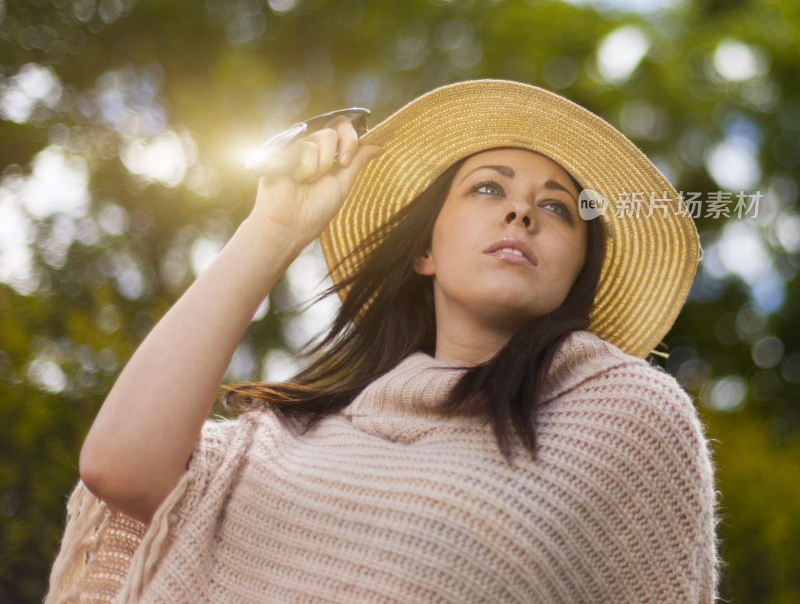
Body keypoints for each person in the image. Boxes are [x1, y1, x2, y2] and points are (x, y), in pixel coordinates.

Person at [46, 79, 719, 604]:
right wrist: (274, 227)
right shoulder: (285, 442)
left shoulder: (627, 421)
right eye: (488, 189)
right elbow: (119, 468)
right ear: (425, 249)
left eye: (557, 208)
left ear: (578, 272)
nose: (521, 211)